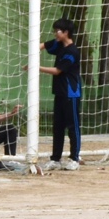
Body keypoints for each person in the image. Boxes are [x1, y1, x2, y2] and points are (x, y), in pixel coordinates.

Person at [37, 18, 81, 170]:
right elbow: (42, 45)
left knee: (73, 127)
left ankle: (74, 158)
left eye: (58, 31)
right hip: (59, 93)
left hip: (71, 94)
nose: (55, 33)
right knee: (58, 127)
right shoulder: (59, 44)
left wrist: (37, 67)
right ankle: (55, 159)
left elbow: (57, 71)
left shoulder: (72, 51)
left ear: (66, 32)